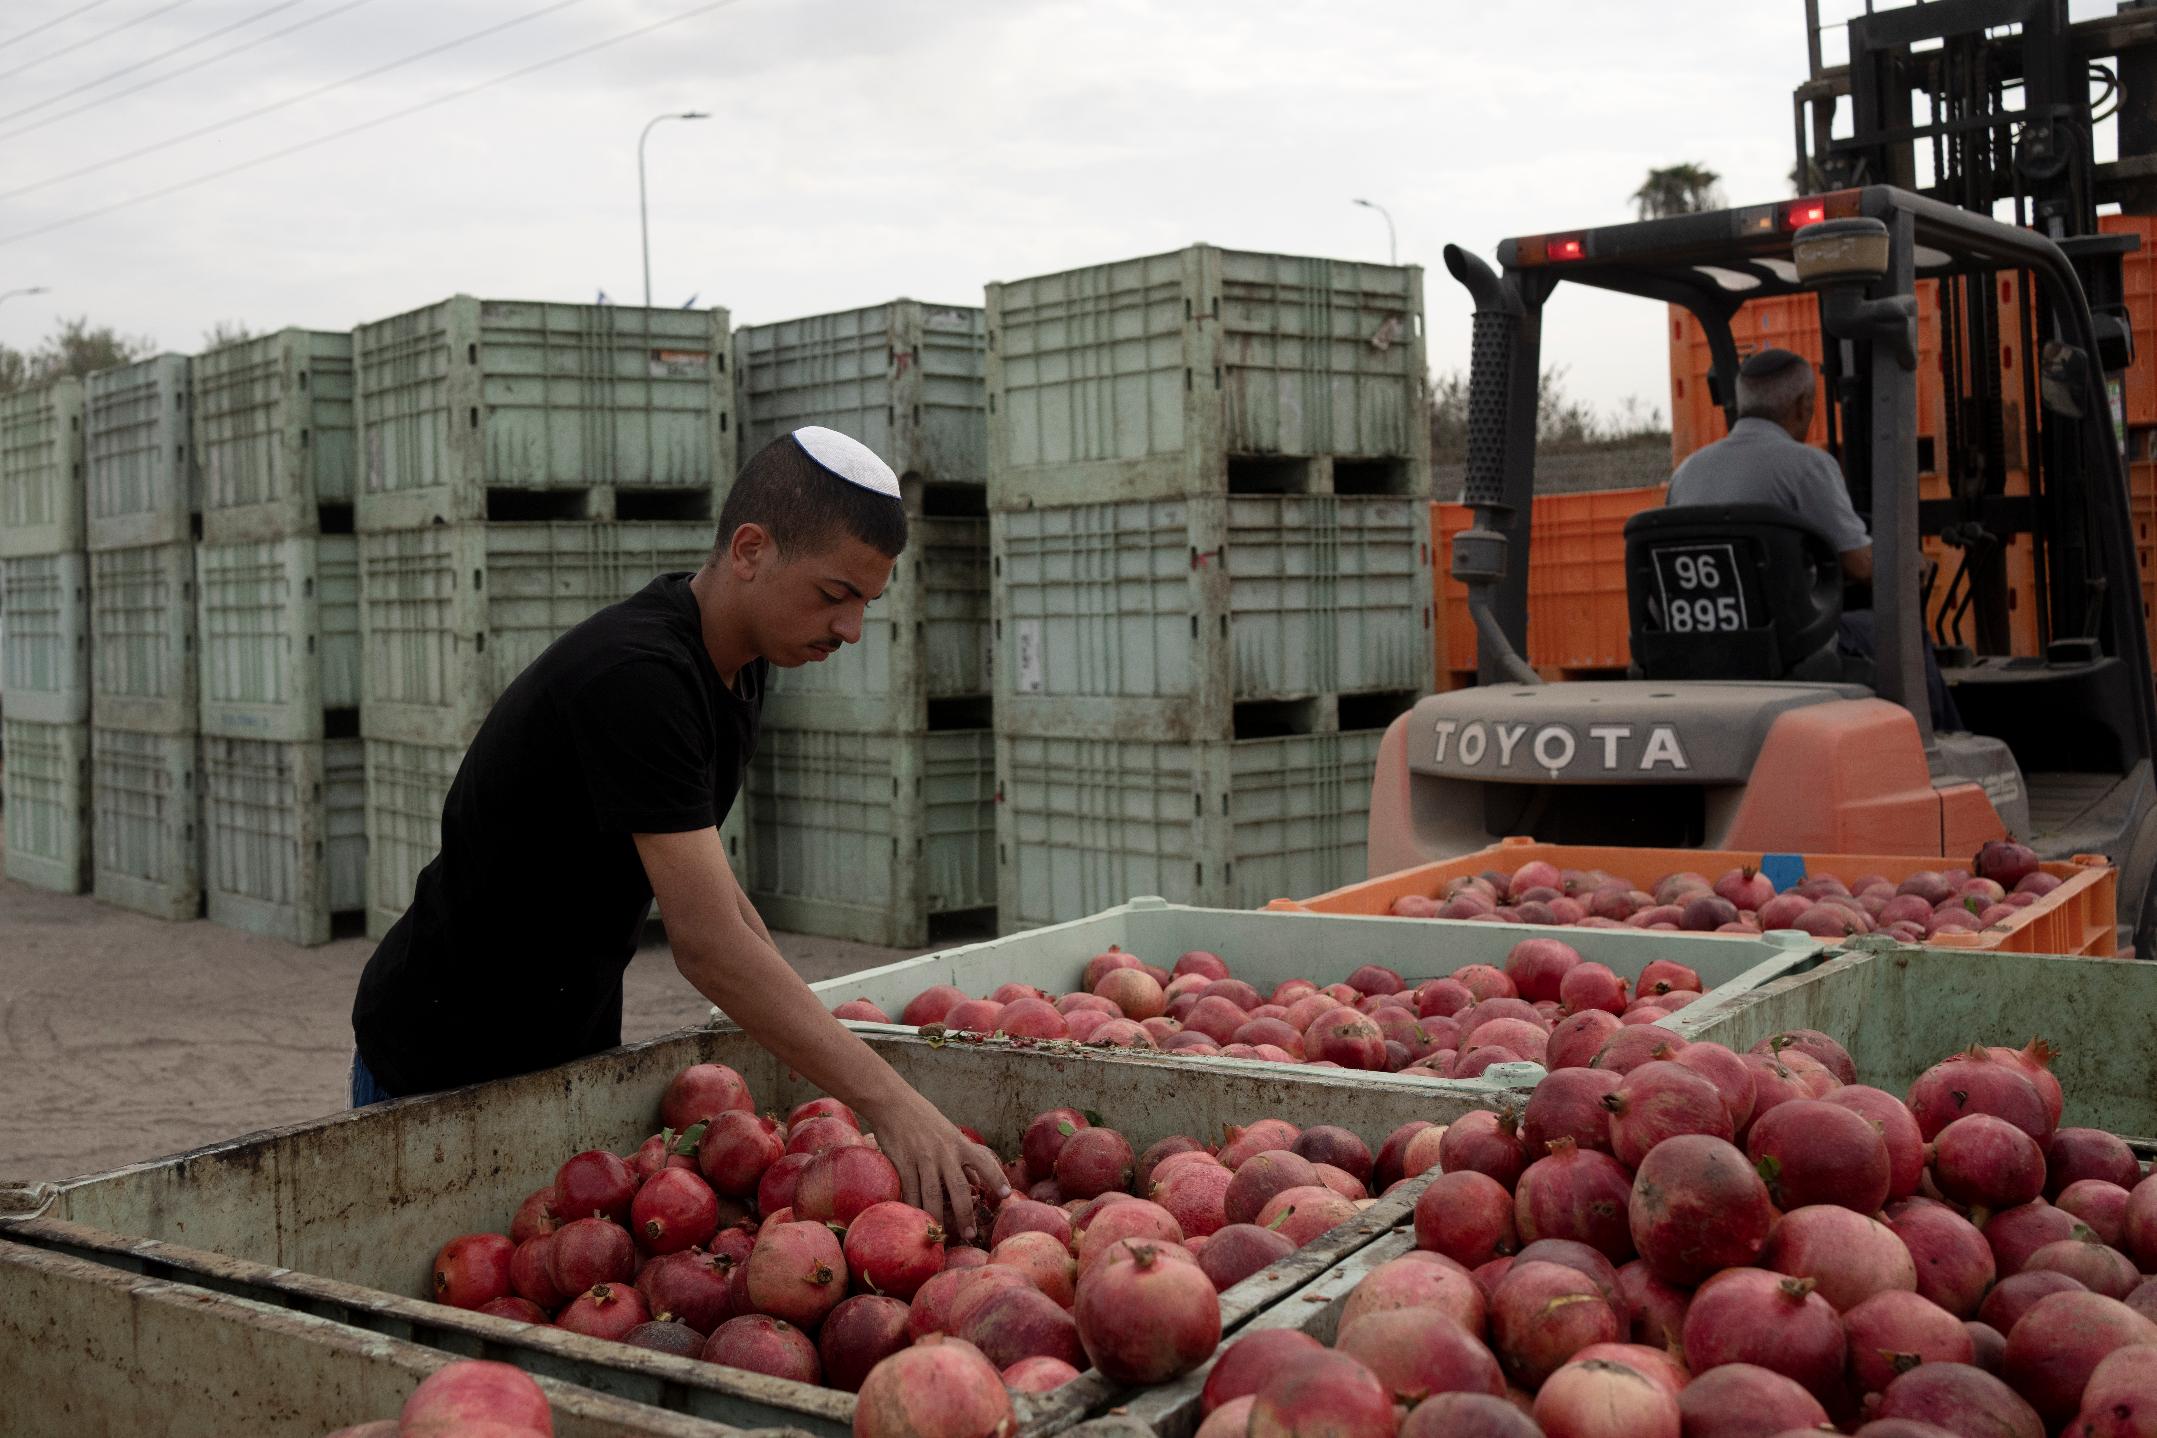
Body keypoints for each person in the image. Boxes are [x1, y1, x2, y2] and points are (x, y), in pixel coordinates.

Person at [350, 426, 1007, 1234]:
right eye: (835, 594)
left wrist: (803, 1046)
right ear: (750, 549)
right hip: (440, 1063)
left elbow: (714, 889)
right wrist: (892, 1104)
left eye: (867, 603)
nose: (851, 631)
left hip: (561, 1051)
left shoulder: (739, 662)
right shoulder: (638, 677)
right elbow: (706, 946)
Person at [1665, 347, 1959, 729]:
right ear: (1803, 404)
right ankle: (1936, 745)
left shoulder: (1687, 472)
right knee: (1903, 632)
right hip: (1786, 646)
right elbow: (1863, 565)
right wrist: (1912, 560)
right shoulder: (1807, 466)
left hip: (1700, 642)